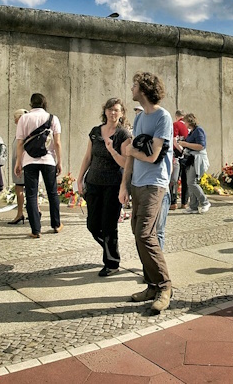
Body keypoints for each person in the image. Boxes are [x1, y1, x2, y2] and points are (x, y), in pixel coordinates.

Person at [119, 72, 173, 313]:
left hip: (155, 182)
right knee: (136, 232)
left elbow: (152, 156)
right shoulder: (139, 118)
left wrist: (132, 152)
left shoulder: (163, 117)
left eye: (134, 84)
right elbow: (131, 154)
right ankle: (151, 284)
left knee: (145, 234)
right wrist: (124, 185)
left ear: (144, 89)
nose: (131, 87)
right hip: (138, 183)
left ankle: (165, 287)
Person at [78, 98, 130, 276]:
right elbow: (87, 157)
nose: (112, 113)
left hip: (113, 185)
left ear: (121, 113)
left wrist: (112, 150)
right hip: (93, 183)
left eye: (116, 110)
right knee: (93, 225)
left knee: (108, 226)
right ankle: (111, 249)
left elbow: (125, 162)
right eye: (110, 109)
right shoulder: (95, 132)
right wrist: (79, 180)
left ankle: (112, 263)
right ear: (105, 111)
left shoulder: (123, 135)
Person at [15, 93, 63, 238]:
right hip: (48, 159)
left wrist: (18, 162)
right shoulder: (53, 118)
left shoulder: (24, 118)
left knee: (31, 194)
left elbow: (20, 143)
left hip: (29, 160)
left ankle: (36, 230)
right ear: (44, 103)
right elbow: (57, 143)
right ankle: (56, 224)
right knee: (52, 192)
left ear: (31, 104)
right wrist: (59, 161)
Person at [177, 113, 211, 213]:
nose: (184, 124)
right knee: (190, 182)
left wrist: (185, 144)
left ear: (189, 122)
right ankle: (193, 206)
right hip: (191, 159)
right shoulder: (192, 132)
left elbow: (201, 146)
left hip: (197, 159)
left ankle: (205, 202)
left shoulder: (198, 130)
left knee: (192, 182)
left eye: (185, 122)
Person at [9, 109, 28, 224]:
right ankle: (36, 211)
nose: (14, 121)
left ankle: (20, 213)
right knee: (31, 189)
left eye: (15, 118)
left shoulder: (23, 132)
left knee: (19, 188)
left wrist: (19, 163)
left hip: (21, 164)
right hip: (22, 163)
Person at [169, 110, 189, 210]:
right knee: (185, 179)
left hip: (177, 154)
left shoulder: (176, 124)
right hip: (188, 155)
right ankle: (184, 203)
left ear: (176, 116)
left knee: (174, 179)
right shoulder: (188, 126)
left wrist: (179, 149)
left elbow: (174, 139)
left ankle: (173, 203)